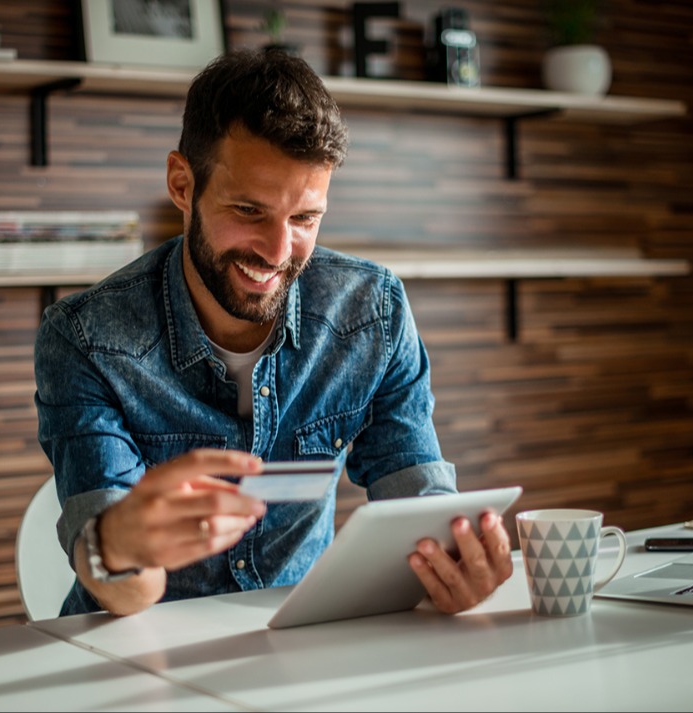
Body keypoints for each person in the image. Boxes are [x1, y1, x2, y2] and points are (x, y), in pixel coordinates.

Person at [33, 48, 514, 618]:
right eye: (249, 210)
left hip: (302, 640)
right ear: (182, 185)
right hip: (130, 648)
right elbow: (124, 592)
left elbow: (417, 500)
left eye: (305, 218)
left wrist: (456, 565)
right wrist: (117, 546)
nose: (279, 252)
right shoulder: (86, 338)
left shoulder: (371, 312)